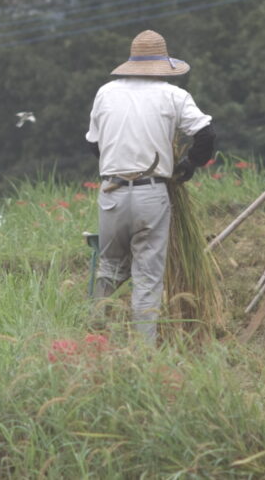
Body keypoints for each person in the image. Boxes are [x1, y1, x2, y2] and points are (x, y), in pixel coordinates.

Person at [85, 29, 215, 343]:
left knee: (110, 266)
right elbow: (206, 136)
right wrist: (188, 166)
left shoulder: (105, 92)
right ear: (161, 66)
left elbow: (94, 144)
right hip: (151, 194)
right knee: (147, 276)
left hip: (111, 193)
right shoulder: (173, 95)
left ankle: (92, 331)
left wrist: (118, 163)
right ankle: (143, 352)